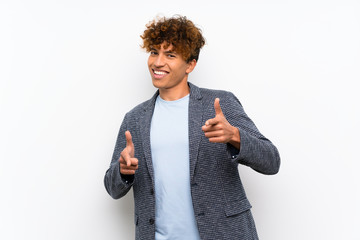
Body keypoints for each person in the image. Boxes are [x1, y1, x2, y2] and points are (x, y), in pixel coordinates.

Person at [104, 15, 280, 240]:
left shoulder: (219, 104)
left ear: (190, 64)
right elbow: (112, 188)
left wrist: (235, 137)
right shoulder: (136, 118)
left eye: (170, 55)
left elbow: (272, 161)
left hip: (222, 234)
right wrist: (122, 171)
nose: (158, 62)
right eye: (154, 52)